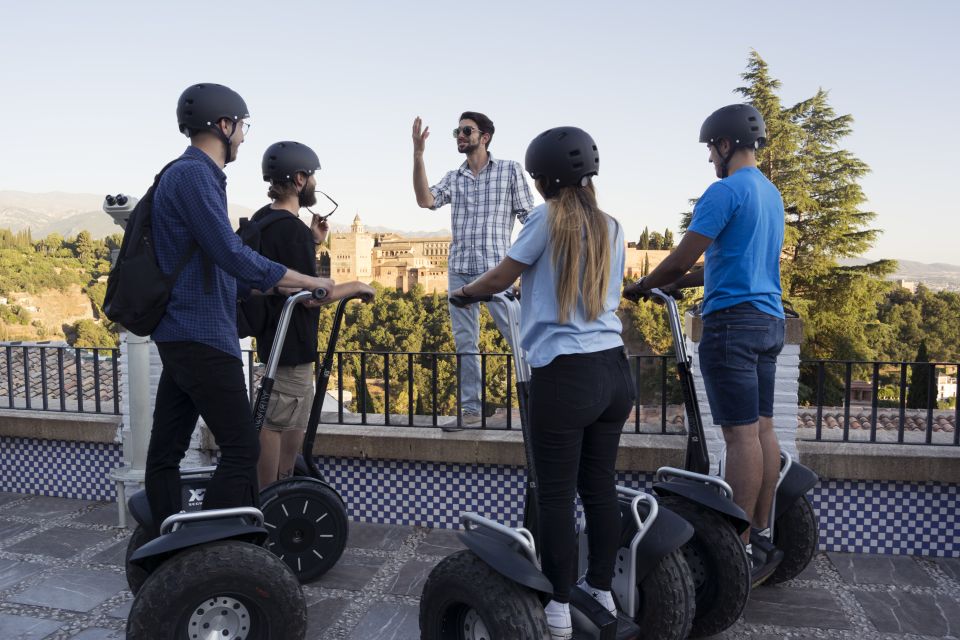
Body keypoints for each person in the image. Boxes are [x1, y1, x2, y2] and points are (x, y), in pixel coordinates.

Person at [451, 127, 632, 640]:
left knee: (554, 495)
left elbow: (501, 277)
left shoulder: (545, 219)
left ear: (544, 178)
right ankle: (599, 588)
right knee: (598, 488)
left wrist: (465, 293)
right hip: (614, 370)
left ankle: (556, 604)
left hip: (564, 375)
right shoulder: (612, 226)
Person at [144, 83, 337, 536]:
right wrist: (310, 280)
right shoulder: (194, 175)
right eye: (243, 127)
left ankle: (165, 541)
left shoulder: (190, 175)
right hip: (201, 335)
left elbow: (217, 258)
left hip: (182, 333)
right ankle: (210, 545)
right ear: (224, 125)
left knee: (166, 452)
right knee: (242, 449)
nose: (245, 138)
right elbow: (230, 253)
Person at [623, 103, 785, 578]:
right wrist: (683, 284)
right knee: (762, 429)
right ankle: (758, 532)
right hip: (768, 320)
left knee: (738, 437)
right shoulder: (770, 194)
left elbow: (679, 258)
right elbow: (729, 263)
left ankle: (732, 547)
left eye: (712, 147)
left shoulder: (724, 191)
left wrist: (644, 285)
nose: (710, 157)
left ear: (726, 143)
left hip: (731, 325)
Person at [252, 141, 374, 486]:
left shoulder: (266, 220)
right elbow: (311, 295)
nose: (316, 184)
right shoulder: (290, 231)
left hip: (275, 340)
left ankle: (281, 486)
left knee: (294, 419)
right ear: (300, 178)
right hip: (291, 345)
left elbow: (282, 273)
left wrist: (313, 242)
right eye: (314, 176)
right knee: (276, 423)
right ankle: (273, 495)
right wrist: (357, 285)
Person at [412, 112, 535, 429]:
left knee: (519, 339)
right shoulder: (455, 177)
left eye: (466, 130)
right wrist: (418, 154)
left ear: (486, 136)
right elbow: (426, 200)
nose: (460, 136)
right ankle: (470, 412)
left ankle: (539, 405)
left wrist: (522, 265)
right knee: (465, 344)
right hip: (459, 271)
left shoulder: (509, 171)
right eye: (457, 131)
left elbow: (530, 219)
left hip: (497, 272)